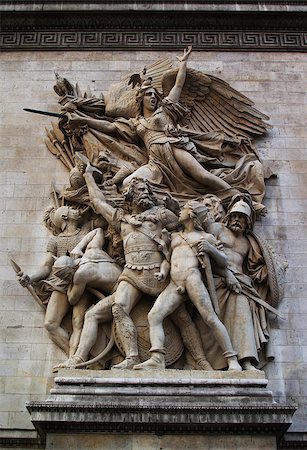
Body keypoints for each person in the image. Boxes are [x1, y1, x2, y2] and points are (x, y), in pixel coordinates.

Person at [66, 47, 237, 196]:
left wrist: (183, 64)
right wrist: (82, 119)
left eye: (155, 95)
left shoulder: (166, 109)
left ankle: (236, 196)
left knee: (202, 175)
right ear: (141, 99)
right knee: (128, 183)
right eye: (149, 95)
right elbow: (111, 127)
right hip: (155, 161)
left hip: (173, 148)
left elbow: (178, 85)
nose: (153, 98)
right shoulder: (136, 122)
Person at [134, 201, 242, 371]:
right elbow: (168, 260)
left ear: (191, 214)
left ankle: (232, 359)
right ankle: (157, 358)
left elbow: (223, 261)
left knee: (210, 319)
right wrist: (163, 272)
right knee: (154, 315)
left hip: (192, 279)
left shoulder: (206, 238)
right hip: (174, 283)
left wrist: (210, 249)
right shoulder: (175, 237)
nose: (180, 212)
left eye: (183, 209)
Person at [200, 198, 278, 370]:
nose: (237, 220)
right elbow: (202, 251)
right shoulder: (217, 229)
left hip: (241, 285)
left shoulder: (248, 242)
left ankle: (246, 361)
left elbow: (253, 268)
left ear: (248, 221)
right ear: (228, 216)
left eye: (242, 218)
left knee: (243, 318)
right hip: (216, 281)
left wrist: (269, 272)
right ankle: (214, 362)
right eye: (234, 216)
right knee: (213, 320)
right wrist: (226, 274)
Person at [18, 205, 103, 356]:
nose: (76, 210)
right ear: (65, 217)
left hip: (82, 281)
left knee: (78, 322)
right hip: (60, 284)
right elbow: (46, 267)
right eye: (71, 209)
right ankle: (72, 356)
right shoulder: (55, 241)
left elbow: (103, 220)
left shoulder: (87, 229)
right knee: (50, 324)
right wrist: (30, 278)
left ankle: (76, 360)